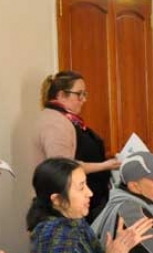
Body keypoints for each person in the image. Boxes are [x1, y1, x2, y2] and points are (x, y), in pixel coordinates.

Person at [31, 71, 119, 221]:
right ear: (61, 95)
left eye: (85, 94)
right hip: (64, 208)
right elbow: (63, 168)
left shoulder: (64, 119)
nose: (83, 99)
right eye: (79, 94)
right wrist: (104, 166)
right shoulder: (55, 123)